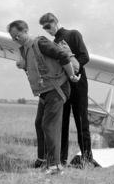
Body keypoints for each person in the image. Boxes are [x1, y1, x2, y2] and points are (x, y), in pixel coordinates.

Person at [6, 20, 80, 175]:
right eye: (13, 38)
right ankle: (43, 159)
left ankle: (55, 166)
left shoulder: (40, 42)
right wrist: (23, 64)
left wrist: (72, 75)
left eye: (17, 36)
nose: (16, 40)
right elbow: (38, 66)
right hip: (46, 89)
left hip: (57, 87)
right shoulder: (26, 49)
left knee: (49, 125)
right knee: (40, 123)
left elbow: (62, 56)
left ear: (25, 30)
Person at [39, 13, 93, 167]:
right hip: (63, 87)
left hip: (78, 86)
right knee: (61, 124)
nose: (46, 30)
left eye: (47, 26)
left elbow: (85, 57)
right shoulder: (53, 42)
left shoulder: (73, 34)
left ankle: (87, 159)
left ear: (55, 22)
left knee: (81, 122)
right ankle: (61, 159)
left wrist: (72, 69)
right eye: (44, 28)